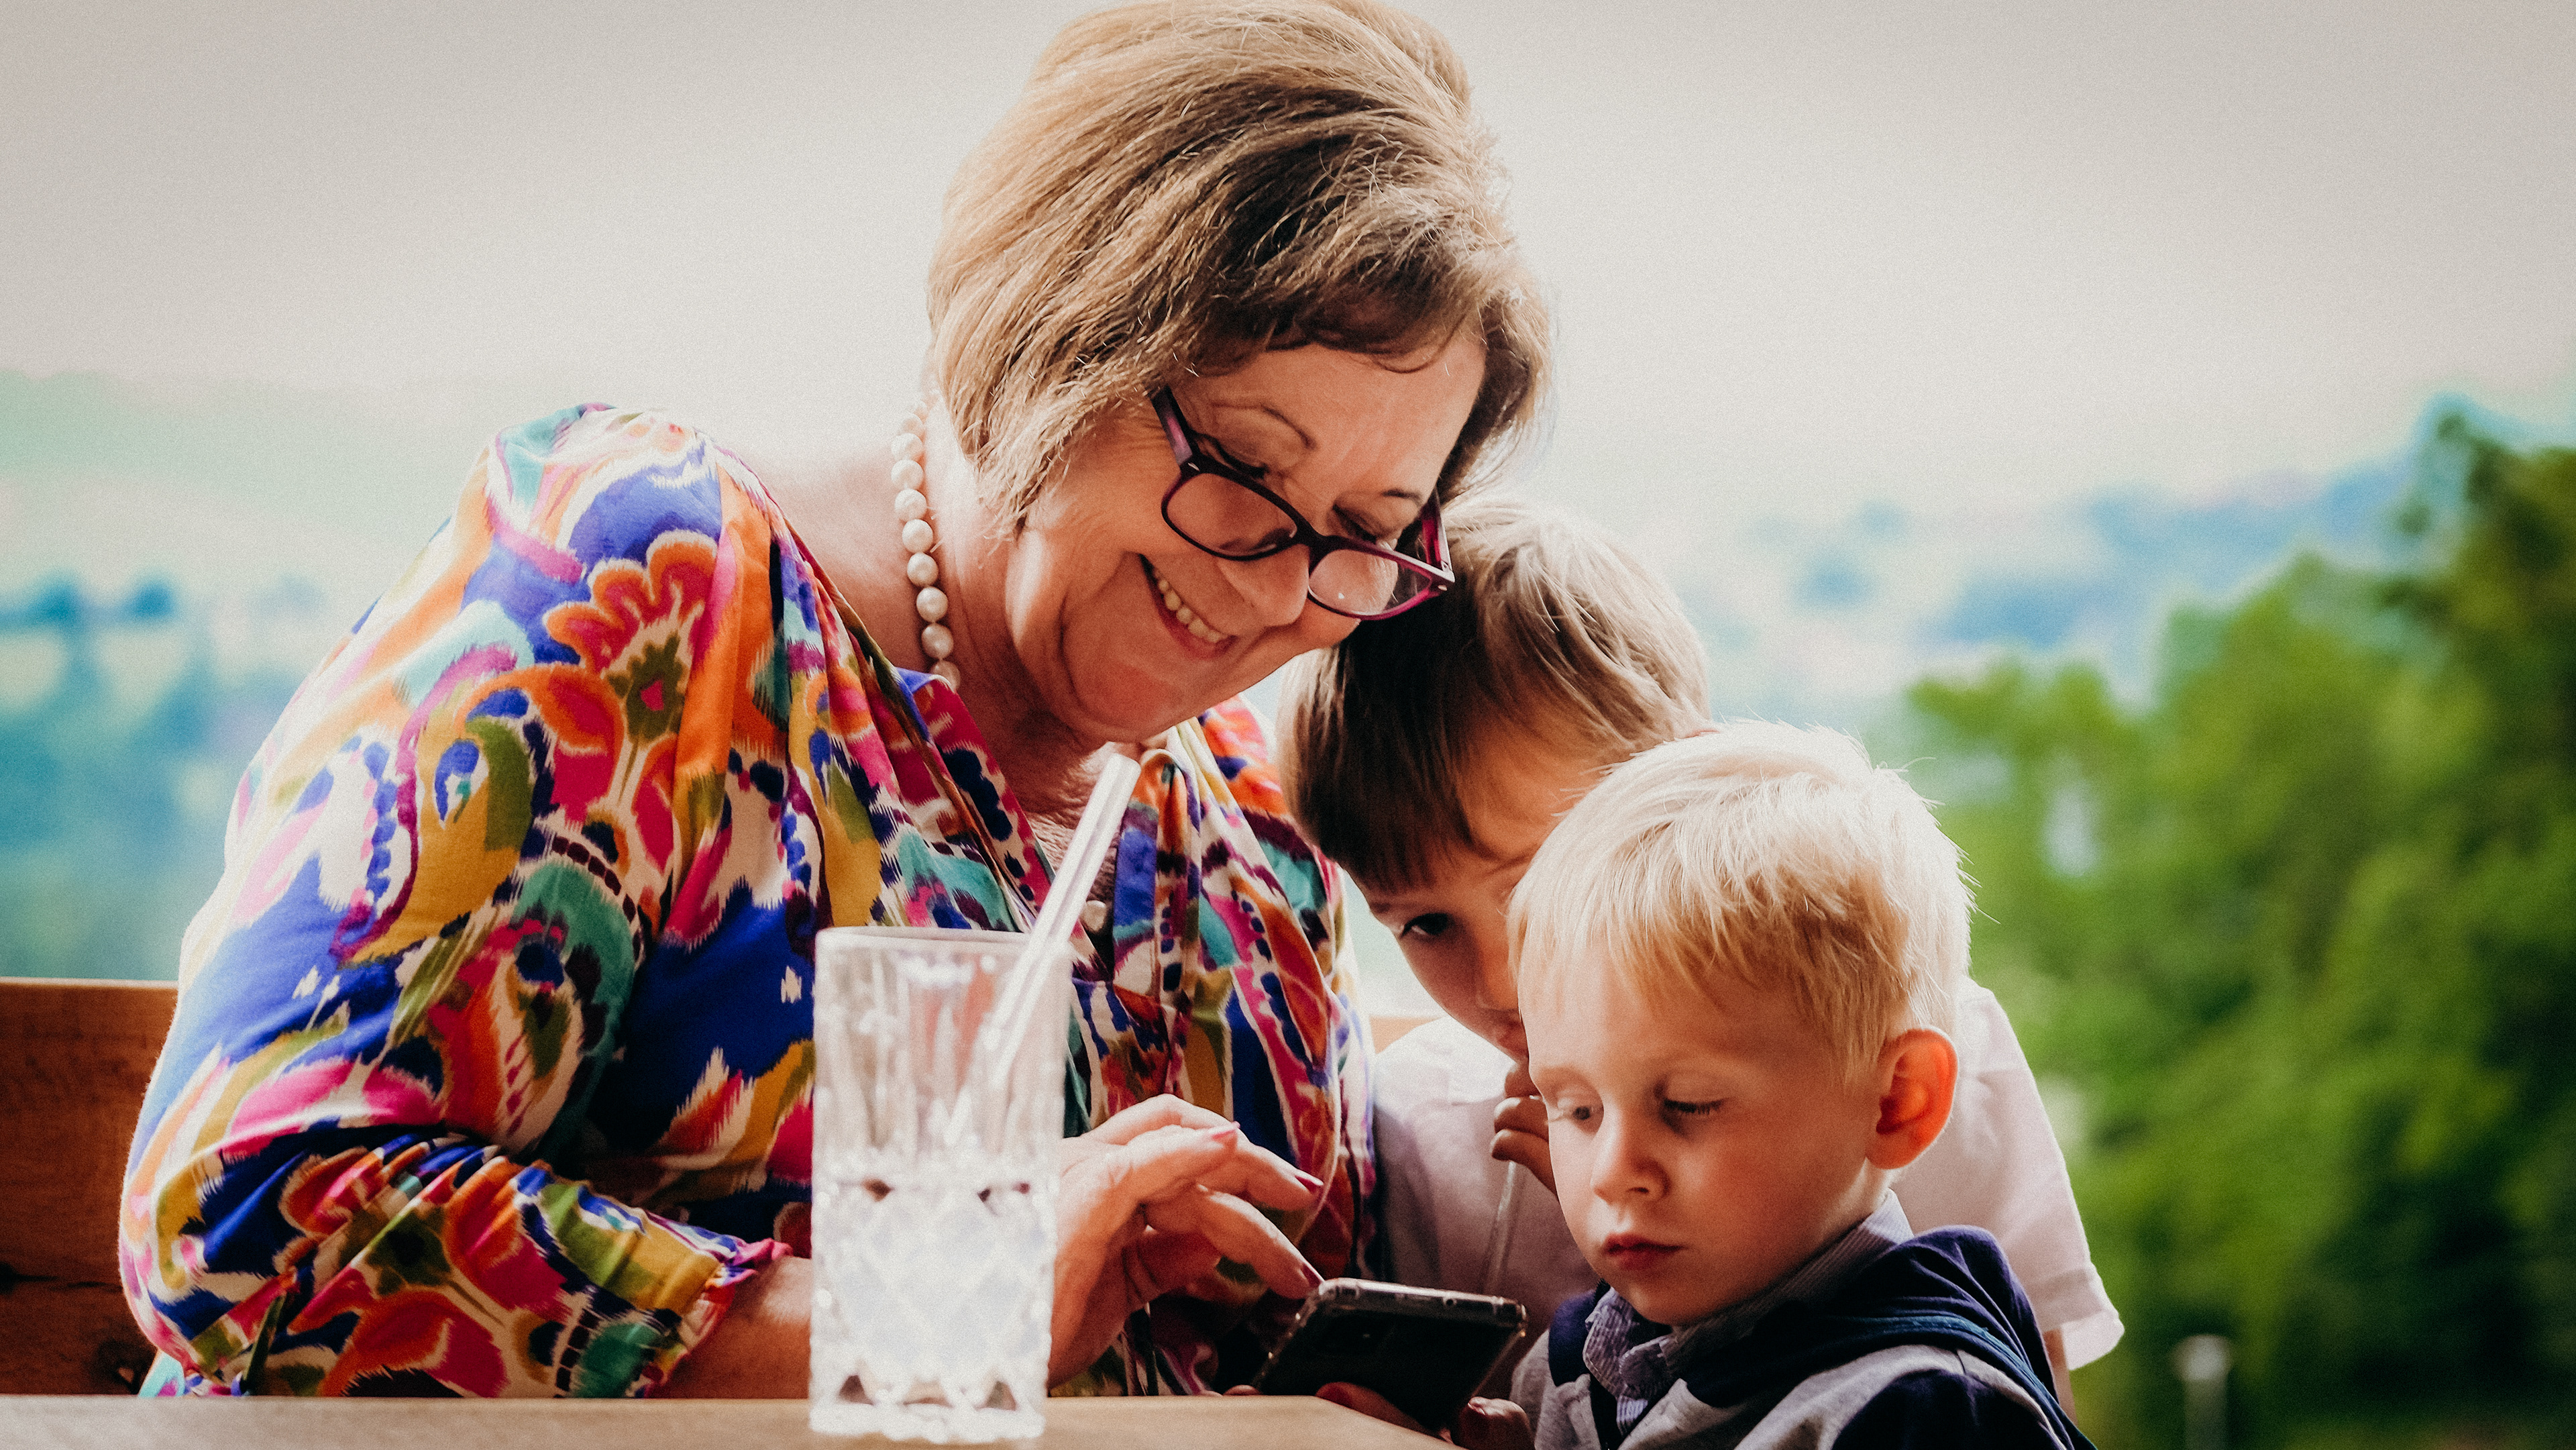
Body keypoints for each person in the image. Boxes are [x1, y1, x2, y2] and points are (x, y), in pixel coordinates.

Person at [116, 0, 1547, 1398]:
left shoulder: (1252, 814)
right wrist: (927, 1308)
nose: (1276, 584)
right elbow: (243, 1214)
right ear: (1057, 328)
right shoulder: (652, 585)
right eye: (1242, 464)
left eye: (1366, 529)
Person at [1277, 498, 2120, 1405]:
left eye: (1539, 883)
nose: (1501, 980)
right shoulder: (1421, 1128)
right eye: (1425, 925)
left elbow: (2027, 1394)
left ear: (1688, 785)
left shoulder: (1913, 1049)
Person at [1499, 725, 2090, 1448]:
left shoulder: (1930, 1414)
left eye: (1688, 1103)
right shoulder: (1569, 1370)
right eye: (1578, 1109)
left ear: (1897, 1101)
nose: (1614, 1170)